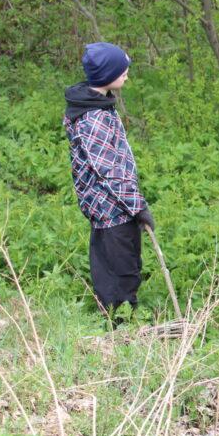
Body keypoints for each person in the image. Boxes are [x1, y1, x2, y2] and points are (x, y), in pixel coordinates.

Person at [64, 42, 154, 318]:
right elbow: (110, 171)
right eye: (122, 70)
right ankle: (120, 323)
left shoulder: (98, 104)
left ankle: (120, 314)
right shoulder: (93, 117)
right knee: (119, 268)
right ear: (106, 75)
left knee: (123, 261)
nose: (126, 74)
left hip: (114, 207)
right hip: (111, 209)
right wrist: (138, 207)